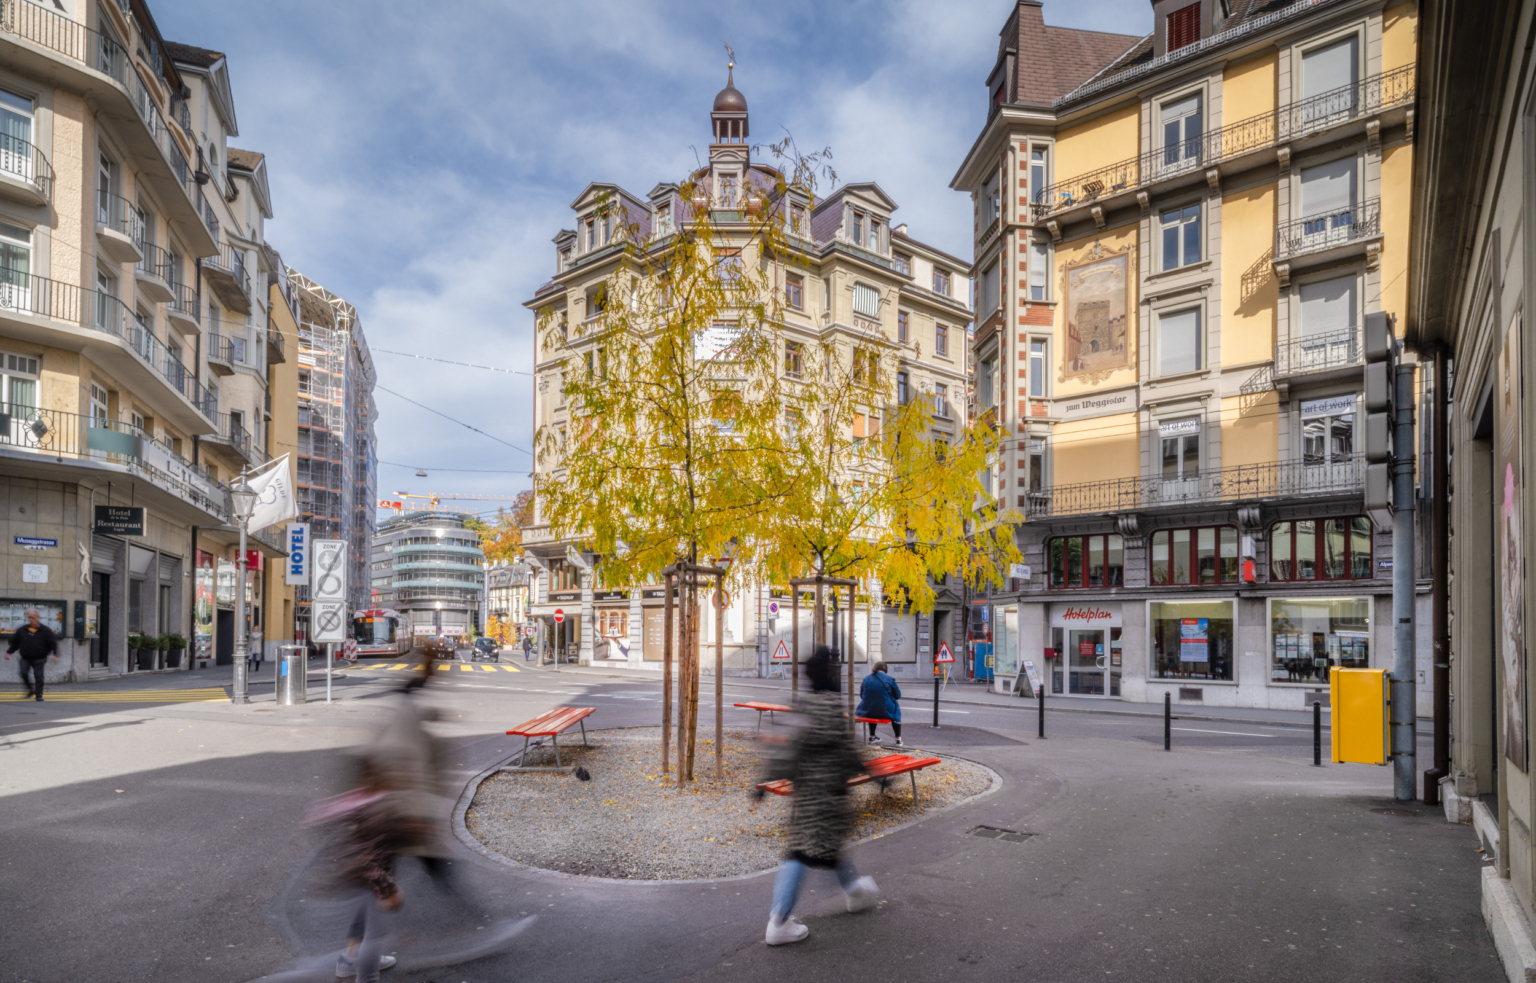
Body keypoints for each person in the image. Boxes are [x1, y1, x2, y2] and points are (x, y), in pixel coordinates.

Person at [754, 646, 878, 946]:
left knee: (822, 847)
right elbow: (849, 751)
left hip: (807, 795)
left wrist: (760, 783)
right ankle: (779, 921)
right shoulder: (833, 708)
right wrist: (875, 776)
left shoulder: (801, 706)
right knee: (804, 852)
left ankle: (855, 893)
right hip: (831, 795)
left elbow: (786, 750)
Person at [6, 608, 59, 701]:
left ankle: (39, 695)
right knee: (23, 673)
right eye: (29, 617)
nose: (31, 619)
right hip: (25, 657)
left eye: (33, 617)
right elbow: (15, 643)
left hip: (40, 658)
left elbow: (53, 643)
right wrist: (9, 652)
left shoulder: (45, 630)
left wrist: (55, 654)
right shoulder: (22, 630)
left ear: (38, 618)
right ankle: (30, 690)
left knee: (38, 676)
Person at [856, 661, 903, 746]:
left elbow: (862, 695)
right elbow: (898, 696)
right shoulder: (889, 679)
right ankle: (898, 739)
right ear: (885, 669)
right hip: (885, 712)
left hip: (868, 711)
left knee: (872, 704)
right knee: (896, 709)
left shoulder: (866, 679)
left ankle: (872, 736)